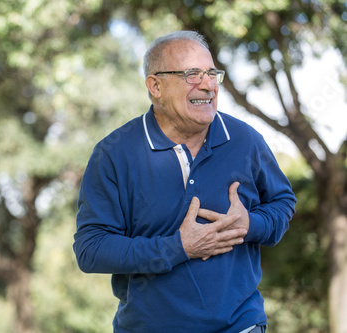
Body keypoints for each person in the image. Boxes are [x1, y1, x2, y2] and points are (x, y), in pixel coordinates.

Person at [73, 30, 296, 332]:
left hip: (240, 326)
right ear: (156, 86)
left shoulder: (245, 140)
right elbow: (91, 249)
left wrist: (251, 224)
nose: (207, 85)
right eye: (192, 74)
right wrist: (178, 247)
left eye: (211, 73)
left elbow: (282, 203)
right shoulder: (114, 154)